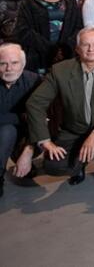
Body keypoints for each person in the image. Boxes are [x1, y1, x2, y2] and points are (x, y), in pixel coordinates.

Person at [26, 26, 94, 194]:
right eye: (85, 44)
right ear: (77, 48)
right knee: (53, 166)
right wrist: (44, 141)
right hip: (74, 129)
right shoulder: (60, 70)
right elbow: (35, 103)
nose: (91, 49)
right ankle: (80, 165)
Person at [13, 0, 82, 74]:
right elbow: (22, 30)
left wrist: (64, 49)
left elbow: (78, 27)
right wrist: (50, 50)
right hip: (37, 60)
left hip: (65, 59)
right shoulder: (29, 0)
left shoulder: (70, 0)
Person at [0, 44, 41, 196]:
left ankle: (23, 158)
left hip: (27, 134)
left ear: (23, 65)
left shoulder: (35, 81)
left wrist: (28, 153)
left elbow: (40, 119)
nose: (9, 68)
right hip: (4, 132)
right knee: (7, 131)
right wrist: (20, 117)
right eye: (3, 63)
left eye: (14, 63)